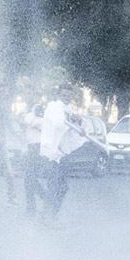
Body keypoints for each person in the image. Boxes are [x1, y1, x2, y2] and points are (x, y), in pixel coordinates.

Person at [37, 85, 84, 223]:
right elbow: (58, 124)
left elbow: (75, 132)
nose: (66, 98)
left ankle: (50, 213)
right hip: (51, 154)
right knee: (53, 186)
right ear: (59, 96)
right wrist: (73, 123)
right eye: (63, 95)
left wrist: (79, 123)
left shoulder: (69, 111)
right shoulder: (53, 108)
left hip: (63, 155)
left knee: (63, 187)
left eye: (68, 96)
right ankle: (48, 216)